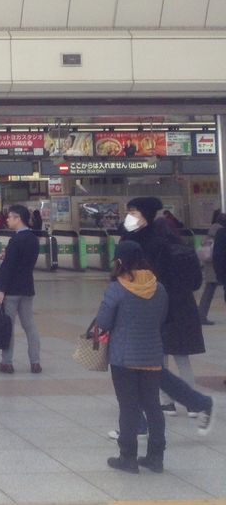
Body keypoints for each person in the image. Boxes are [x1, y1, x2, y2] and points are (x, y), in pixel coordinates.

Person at [96, 241, 168, 473]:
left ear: (119, 261)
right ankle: (156, 457)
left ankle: (127, 457)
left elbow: (104, 322)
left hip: (124, 358)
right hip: (153, 355)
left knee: (128, 407)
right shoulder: (159, 287)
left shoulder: (117, 288)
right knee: (153, 406)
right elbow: (162, 318)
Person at [124, 197, 204, 399]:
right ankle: (190, 401)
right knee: (182, 357)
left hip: (159, 307)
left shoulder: (152, 247)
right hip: (184, 306)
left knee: (160, 357)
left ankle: (166, 401)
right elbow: (195, 282)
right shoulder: (182, 247)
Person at [0, 204, 41, 374]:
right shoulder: (32, 239)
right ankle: (35, 362)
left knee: (9, 325)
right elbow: (23, 261)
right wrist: (7, 255)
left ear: (18, 218)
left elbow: (8, 268)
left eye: (10, 217)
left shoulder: (15, 240)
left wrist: (1, 290)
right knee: (30, 325)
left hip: (12, 290)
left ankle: (7, 362)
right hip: (27, 287)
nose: (7, 220)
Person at [197, 210, 224, 324]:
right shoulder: (220, 232)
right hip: (217, 265)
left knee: (208, 291)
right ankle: (201, 315)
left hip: (210, 265)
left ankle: (201, 315)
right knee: (209, 291)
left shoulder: (210, 231)